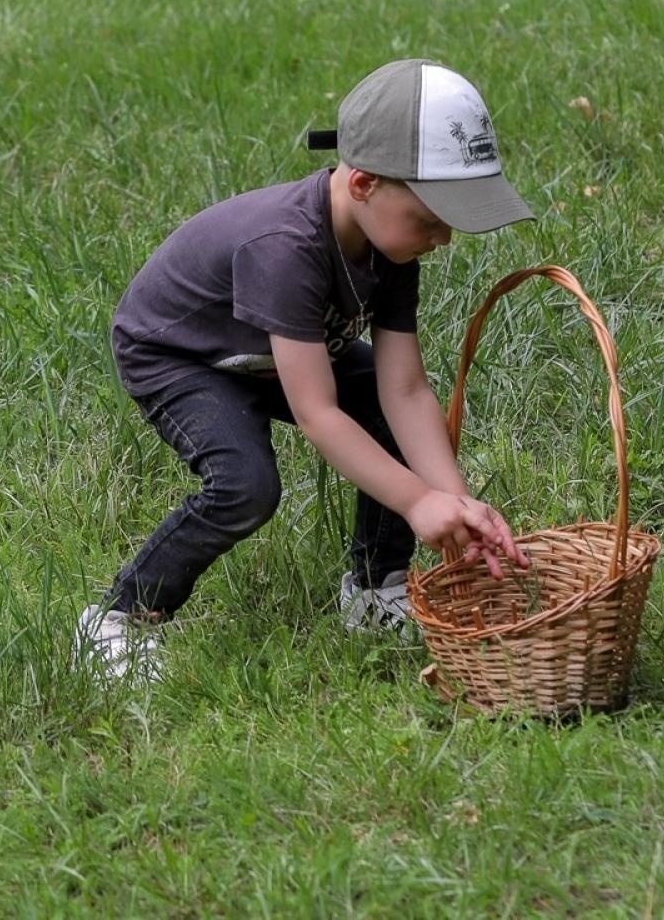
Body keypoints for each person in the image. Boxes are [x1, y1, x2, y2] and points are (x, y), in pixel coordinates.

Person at [76, 58, 534, 681]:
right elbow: (318, 414)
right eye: (431, 220)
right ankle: (119, 617)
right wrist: (417, 500)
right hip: (183, 356)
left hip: (278, 350)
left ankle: (375, 589)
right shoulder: (284, 248)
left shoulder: (390, 244)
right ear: (366, 184)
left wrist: (453, 501)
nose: (443, 239)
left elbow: (403, 388)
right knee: (246, 486)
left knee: (381, 415)